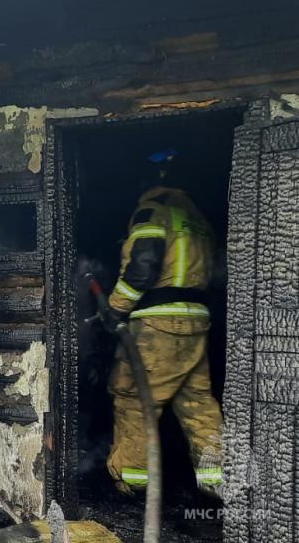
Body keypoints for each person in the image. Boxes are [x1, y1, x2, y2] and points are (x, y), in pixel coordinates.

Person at [105, 149, 223, 497]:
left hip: (157, 326)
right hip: (196, 324)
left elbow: (143, 265)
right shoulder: (197, 219)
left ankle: (131, 482)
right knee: (198, 404)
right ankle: (218, 481)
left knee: (135, 399)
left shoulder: (153, 211)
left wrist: (116, 307)